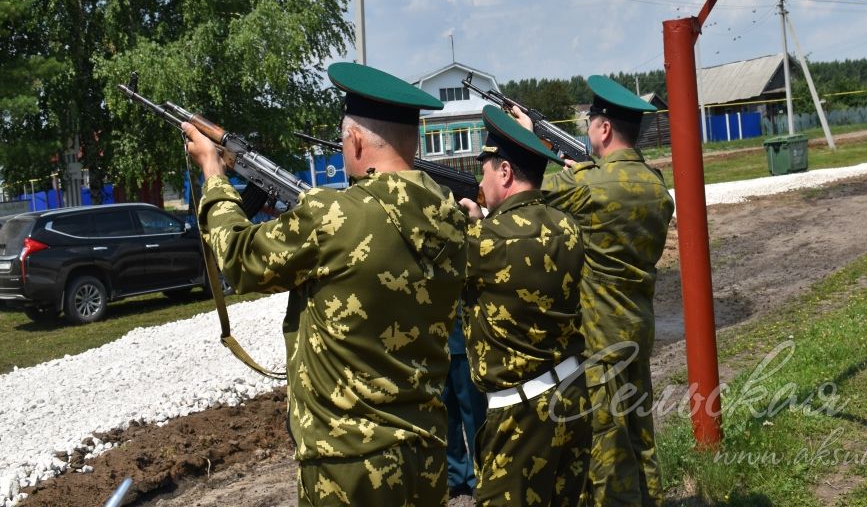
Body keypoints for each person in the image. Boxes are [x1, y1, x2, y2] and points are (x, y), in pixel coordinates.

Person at [182, 62, 468, 507]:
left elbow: (238, 260)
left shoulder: (334, 217)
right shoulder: (449, 220)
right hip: (425, 454)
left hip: (348, 464)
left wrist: (214, 177)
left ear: (354, 141)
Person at [517, 76, 674, 506]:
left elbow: (527, 197)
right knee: (639, 431)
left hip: (598, 334)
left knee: (605, 442)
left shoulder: (588, 186)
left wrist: (531, 142)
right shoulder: (656, 186)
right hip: (638, 324)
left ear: (603, 129)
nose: (587, 129)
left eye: (590, 122)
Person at [457, 104, 592, 506]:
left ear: (505, 172)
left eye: (485, 169)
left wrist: (471, 224)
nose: (481, 178)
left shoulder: (485, 242)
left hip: (520, 415)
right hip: (572, 394)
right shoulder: (566, 225)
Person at [443, 302, 487, 498]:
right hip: (435, 344)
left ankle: (481, 477)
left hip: (463, 340)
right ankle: (456, 475)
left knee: (474, 415)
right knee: (446, 415)